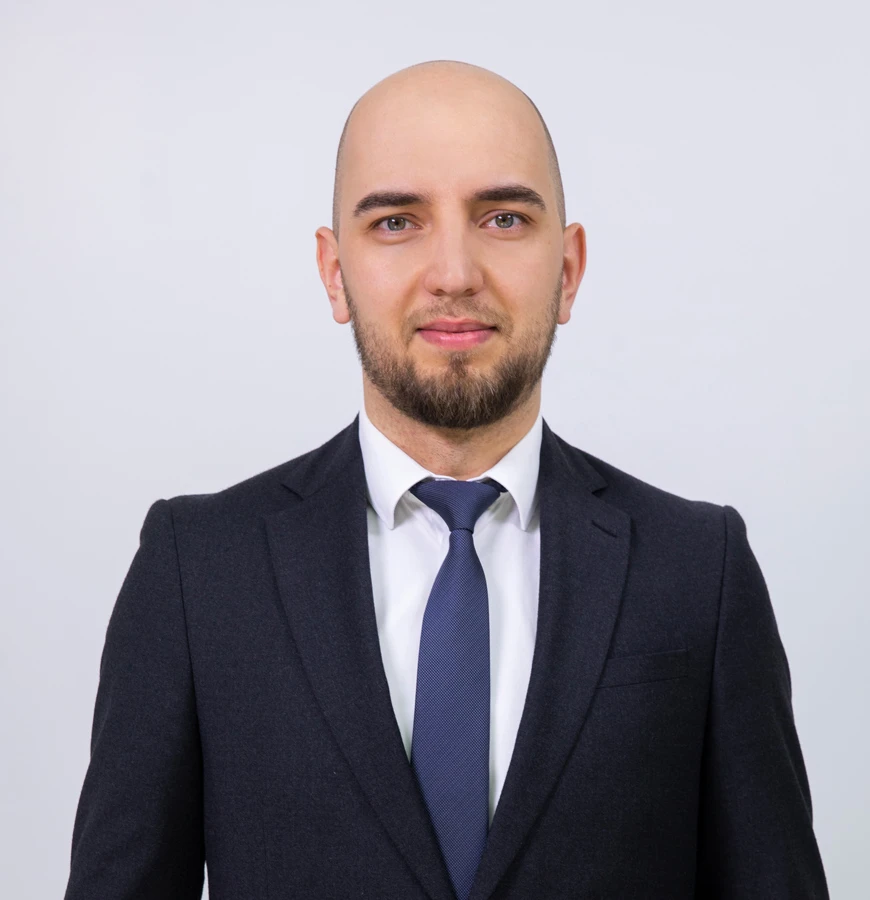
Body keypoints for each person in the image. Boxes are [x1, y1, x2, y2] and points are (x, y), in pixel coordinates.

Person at [63, 60, 829, 899]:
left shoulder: (698, 568)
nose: (455, 273)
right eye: (397, 222)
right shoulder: (198, 570)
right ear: (334, 272)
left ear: (569, 268)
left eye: (503, 218)